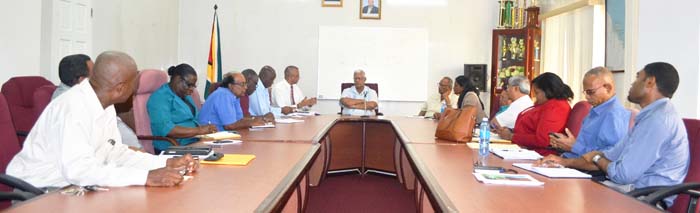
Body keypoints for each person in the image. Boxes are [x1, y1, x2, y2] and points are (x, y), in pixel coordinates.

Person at [7, 51, 197, 189]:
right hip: (39, 192)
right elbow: (80, 171)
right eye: (135, 81)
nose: (136, 88)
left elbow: (115, 153)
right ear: (121, 88)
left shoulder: (104, 103)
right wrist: (145, 177)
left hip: (73, 186)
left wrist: (163, 163)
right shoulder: (72, 108)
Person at [536, 62, 689, 208]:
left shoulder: (658, 121)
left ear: (650, 82)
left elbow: (622, 174)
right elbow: (611, 154)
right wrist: (565, 162)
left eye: (637, 77)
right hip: (628, 190)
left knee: (561, 200)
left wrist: (596, 157)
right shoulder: (648, 117)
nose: (632, 83)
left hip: (644, 199)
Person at [51, 53, 141, 150]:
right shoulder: (70, 108)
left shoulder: (102, 101)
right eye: (95, 74)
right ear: (82, 80)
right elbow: (80, 160)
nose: (102, 76)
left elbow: (113, 148)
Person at [550, 67, 631, 158]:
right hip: (573, 162)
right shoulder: (596, 110)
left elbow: (609, 157)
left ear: (608, 88)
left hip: (588, 170)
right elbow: (586, 146)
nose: (587, 97)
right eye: (585, 92)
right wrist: (564, 144)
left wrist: (574, 146)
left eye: (590, 92)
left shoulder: (614, 115)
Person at [495, 72, 572, 156]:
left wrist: (511, 136)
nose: (535, 97)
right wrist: (511, 131)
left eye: (537, 93)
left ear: (548, 91)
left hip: (537, 154)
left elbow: (543, 140)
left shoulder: (556, 108)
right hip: (523, 148)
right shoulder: (546, 103)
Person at [147, 64, 217, 153]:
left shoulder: (184, 95)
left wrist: (206, 129)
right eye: (189, 85)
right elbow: (166, 129)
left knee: (224, 151)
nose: (192, 89)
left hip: (193, 142)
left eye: (193, 86)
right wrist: (199, 130)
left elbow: (193, 120)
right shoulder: (159, 98)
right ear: (177, 80)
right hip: (173, 147)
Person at [198, 72, 265, 131]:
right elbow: (229, 126)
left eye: (245, 84)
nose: (246, 87)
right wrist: (251, 122)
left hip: (222, 135)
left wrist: (257, 120)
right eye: (242, 84)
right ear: (230, 86)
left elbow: (239, 120)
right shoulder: (223, 95)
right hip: (210, 136)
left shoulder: (235, 96)